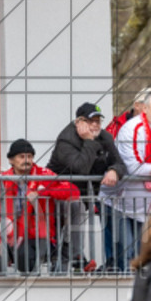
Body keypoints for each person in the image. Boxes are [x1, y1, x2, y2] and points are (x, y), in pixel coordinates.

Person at [102, 90, 151, 272]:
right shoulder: (131, 129)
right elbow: (134, 168)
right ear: (144, 108)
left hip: (148, 204)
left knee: (145, 253)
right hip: (120, 202)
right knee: (126, 252)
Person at [46, 102, 127, 271]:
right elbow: (79, 168)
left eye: (98, 121)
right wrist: (89, 141)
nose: (96, 125)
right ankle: (74, 257)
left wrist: (114, 171)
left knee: (112, 212)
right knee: (74, 211)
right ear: (79, 122)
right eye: (92, 121)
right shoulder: (66, 139)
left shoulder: (105, 137)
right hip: (58, 194)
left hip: (87, 195)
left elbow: (120, 163)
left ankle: (114, 262)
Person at [0, 139, 80, 274]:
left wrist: (42, 193)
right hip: (10, 237)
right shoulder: (2, 181)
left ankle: (28, 292)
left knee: (25, 257)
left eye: (29, 156)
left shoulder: (44, 175)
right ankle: (1, 294)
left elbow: (73, 191)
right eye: (22, 157)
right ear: (11, 160)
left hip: (37, 238)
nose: (27, 160)